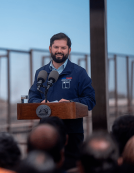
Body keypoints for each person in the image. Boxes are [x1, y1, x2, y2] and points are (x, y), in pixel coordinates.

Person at [28, 33, 96, 169]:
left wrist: (71, 103)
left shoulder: (79, 73)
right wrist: (39, 103)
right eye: (56, 47)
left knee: (71, 168)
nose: (59, 51)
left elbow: (90, 100)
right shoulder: (41, 72)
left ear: (69, 50)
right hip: (46, 134)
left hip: (72, 134)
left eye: (63, 48)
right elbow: (32, 97)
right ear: (50, 49)